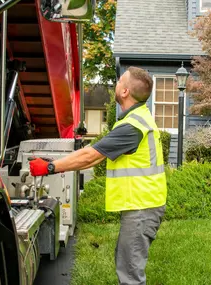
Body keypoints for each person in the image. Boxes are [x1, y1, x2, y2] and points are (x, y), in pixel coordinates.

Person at [29, 66, 167, 285]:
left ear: (125, 92)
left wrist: (49, 168)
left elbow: (90, 156)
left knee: (130, 273)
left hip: (142, 208)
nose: (117, 84)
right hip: (143, 205)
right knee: (126, 263)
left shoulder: (132, 127)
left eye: (120, 81)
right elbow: (94, 150)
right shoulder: (136, 119)